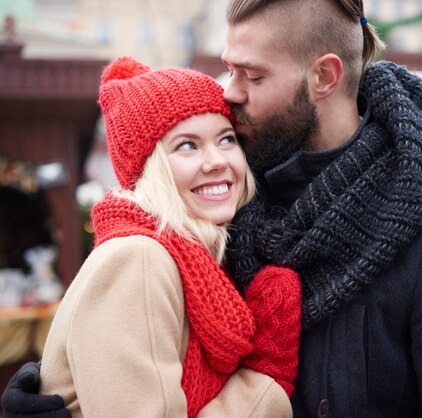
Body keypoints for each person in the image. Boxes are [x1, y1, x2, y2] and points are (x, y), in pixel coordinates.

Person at [2, 0, 422, 416]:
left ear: (323, 77)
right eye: (229, 69)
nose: (228, 93)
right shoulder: (219, 216)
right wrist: (72, 396)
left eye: (251, 77)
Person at [2, 56, 302, 418]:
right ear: (148, 170)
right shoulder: (139, 258)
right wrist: (265, 379)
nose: (216, 160)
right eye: (187, 145)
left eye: (226, 139)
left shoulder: (206, 258)